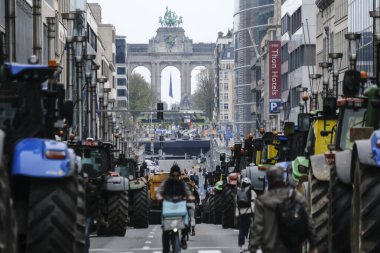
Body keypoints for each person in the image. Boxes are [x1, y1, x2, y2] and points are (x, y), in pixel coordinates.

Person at [249, 166, 318, 253]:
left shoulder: (262, 201)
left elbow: (257, 228)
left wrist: (253, 248)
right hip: (293, 247)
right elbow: (308, 221)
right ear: (283, 178)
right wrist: (313, 244)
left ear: (269, 179)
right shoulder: (295, 196)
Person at [156, 164, 195, 253]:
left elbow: (188, 193)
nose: (175, 177)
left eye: (177, 175)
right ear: (170, 175)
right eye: (173, 175)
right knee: (165, 231)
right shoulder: (165, 183)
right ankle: (165, 249)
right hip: (168, 209)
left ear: (179, 176)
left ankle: (183, 238)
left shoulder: (182, 184)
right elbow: (159, 192)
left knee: (186, 221)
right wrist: (159, 197)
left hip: (180, 208)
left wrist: (190, 197)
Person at [236, 177, 257, 253]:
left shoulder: (239, 192)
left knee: (242, 230)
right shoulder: (252, 192)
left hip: (242, 213)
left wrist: (237, 215)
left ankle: (241, 247)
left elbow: (237, 205)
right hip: (251, 212)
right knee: (252, 229)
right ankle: (250, 246)